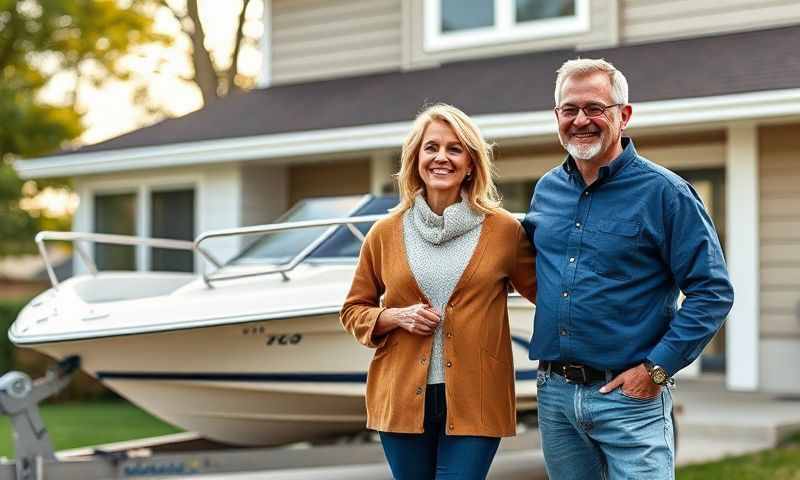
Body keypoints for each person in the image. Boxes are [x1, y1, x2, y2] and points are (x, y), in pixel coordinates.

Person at [522, 58, 734, 479]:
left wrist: (656, 369)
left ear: (624, 115)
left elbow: (712, 292)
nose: (581, 120)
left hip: (630, 401)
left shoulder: (666, 194)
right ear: (557, 117)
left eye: (595, 108)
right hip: (555, 397)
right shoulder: (546, 191)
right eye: (570, 110)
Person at [340, 103, 537, 479]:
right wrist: (393, 316)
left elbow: (549, 297)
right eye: (431, 148)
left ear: (470, 164)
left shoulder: (504, 231)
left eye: (454, 148)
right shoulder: (385, 232)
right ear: (416, 159)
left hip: (478, 398)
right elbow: (353, 309)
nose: (441, 158)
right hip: (400, 399)